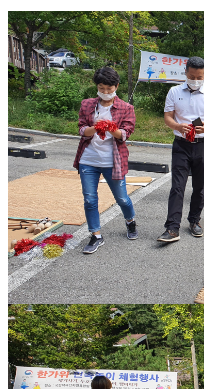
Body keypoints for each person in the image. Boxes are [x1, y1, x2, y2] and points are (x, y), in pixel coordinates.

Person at [158, 56, 204, 243]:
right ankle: (172, 228)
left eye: (200, 77)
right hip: (181, 145)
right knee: (177, 187)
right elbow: (168, 117)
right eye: (192, 76)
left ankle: (195, 221)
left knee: (199, 187)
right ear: (186, 72)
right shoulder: (174, 91)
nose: (196, 80)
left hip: (203, 145)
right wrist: (177, 126)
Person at [73, 66, 137, 254]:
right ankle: (96, 235)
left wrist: (110, 128)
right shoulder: (87, 104)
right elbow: (81, 129)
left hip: (113, 161)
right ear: (97, 87)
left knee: (122, 198)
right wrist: (96, 127)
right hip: (89, 159)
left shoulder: (126, 108)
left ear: (116, 86)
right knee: (90, 199)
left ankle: (130, 221)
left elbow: (126, 133)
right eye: (102, 88)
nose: (106, 92)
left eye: (109, 88)